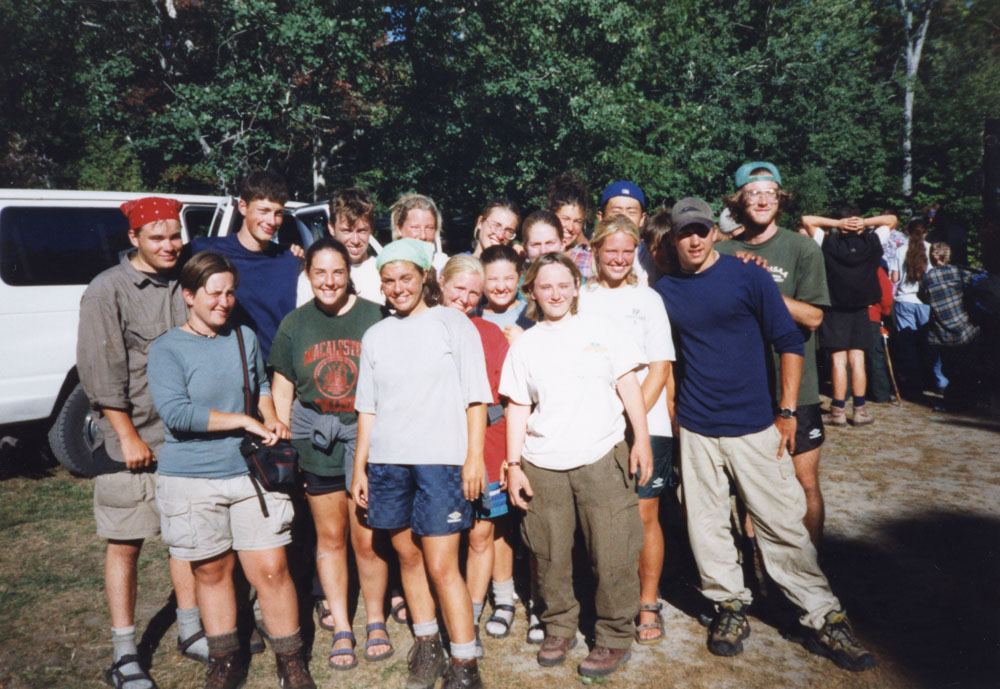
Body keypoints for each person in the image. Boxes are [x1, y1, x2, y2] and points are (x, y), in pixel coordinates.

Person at [654, 197, 876, 672]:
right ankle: (729, 606)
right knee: (707, 526)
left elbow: (789, 341)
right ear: (672, 238)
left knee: (782, 524)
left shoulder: (749, 275)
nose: (693, 239)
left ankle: (823, 616)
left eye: (701, 230)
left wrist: (788, 410)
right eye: (684, 232)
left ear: (714, 231)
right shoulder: (666, 289)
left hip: (755, 424)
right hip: (696, 427)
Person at [147, 252, 315, 689]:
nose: (225, 301)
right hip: (190, 478)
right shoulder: (166, 349)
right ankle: (224, 661)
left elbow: (258, 386)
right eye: (214, 293)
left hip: (248, 474)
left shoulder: (242, 335)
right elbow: (178, 414)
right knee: (211, 570)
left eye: (230, 292)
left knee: (273, 569)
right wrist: (242, 420)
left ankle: (291, 662)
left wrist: (269, 415)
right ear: (188, 295)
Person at [500, 252, 653, 679]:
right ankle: (559, 627)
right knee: (549, 556)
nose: (555, 294)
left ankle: (614, 635)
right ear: (531, 291)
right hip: (543, 464)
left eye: (563, 284)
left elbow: (628, 385)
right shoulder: (526, 343)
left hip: (602, 457)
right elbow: (517, 405)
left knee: (613, 552)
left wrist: (640, 439)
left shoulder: (603, 331)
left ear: (577, 286)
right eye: (545, 286)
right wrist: (513, 465)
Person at [77, 197, 207, 689]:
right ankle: (124, 651)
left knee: (186, 537)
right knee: (126, 544)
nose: (170, 245)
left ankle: (192, 629)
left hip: (183, 437)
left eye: (175, 236)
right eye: (157, 238)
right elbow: (100, 375)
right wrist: (127, 435)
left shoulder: (185, 281)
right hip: (132, 440)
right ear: (134, 239)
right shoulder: (106, 292)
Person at [351, 238, 492, 689]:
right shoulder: (375, 334)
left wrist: (473, 459)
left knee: (440, 563)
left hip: (441, 463)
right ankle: (427, 642)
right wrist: (361, 467)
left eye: (405, 278)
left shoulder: (452, 323)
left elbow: (476, 398)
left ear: (425, 276)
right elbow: (368, 409)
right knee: (406, 555)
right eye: (388, 281)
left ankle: (465, 663)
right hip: (390, 463)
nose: (397, 288)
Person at [270, 238, 390, 669]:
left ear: (350, 272)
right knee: (330, 538)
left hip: (366, 441)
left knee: (368, 538)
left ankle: (375, 618)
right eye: (319, 272)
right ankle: (342, 624)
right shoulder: (294, 325)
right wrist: (284, 446)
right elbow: (282, 390)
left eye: (337, 272)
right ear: (308, 276)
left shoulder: (374, 316)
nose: (329, 281)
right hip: (315, 444)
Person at [718, 162, 831, 546]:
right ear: (738, 201)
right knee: (750, 489)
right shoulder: (722, 251)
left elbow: (814, 317)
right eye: (753, 193)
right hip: (743, 390)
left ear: (781, 198)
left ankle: (811, 569)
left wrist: (761, 287)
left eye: (770, 192)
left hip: (797, 391)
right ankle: (760, 571)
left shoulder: (801, 248)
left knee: (804, 482)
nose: (762, 199)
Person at [578, 215, 675, 645]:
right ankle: (603, 598)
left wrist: (632, 419)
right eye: (609, 250)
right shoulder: (580, 297)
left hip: (645, 424)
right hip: (589, 423)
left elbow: (659, 366)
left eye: (625, 251)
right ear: (595, 251)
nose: (617, 259)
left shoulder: (648, 299)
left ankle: (648, 601)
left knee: (643, 514)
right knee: (599, 517)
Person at [437, 255, 518, 647]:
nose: (465, 298)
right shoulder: (421, 329)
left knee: (483, 535)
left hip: (488, 445)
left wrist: (507, 455)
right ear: (440, 284)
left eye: (474, 292)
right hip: (438, 448)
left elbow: (508, 399)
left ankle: (468, 615)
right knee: (444, 535)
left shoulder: (489, 332)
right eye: (459, 288)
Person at [188, 170, 301, 361]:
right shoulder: (204, 250)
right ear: (242, 207)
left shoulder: (291, 259)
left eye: (278, 213)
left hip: (278, 376)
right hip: (225, 373)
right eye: (263, 211)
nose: (272, 221)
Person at [802, 207, 885, 426]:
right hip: (860, 308)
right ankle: (859, 410)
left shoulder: (828, 243)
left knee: (838, 361)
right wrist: (864, 222)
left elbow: (808, 219)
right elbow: (892, 220)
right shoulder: (872, 242)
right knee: (857, 359)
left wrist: (838, 224)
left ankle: (838, 412)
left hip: (834, 308)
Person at [919, 243, 982, 411]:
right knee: (967, 367)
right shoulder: (960, 272)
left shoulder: (927, 278)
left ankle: (953, 403)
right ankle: (970, 402)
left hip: (942, 332)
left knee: (950, 369)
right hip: (965, 328)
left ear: (933, 258)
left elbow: (923, 298)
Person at [297, 187, 383, 306]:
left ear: (371, 228)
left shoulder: (384, 271)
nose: (355, 240)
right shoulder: (313, 276)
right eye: (347, 231)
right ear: (332, 228)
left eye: (362, 231)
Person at [891, 219, 936, 399]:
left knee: (907, 345)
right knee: (926, 343)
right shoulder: (931, 248)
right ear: (925, 232)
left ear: (907, 232)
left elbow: (894, 278)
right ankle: (930, 381)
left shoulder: (901, 250)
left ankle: (913, 385)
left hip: (905, 300)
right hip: (925, 302)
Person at [476, 244, 531, 342]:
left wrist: (524, 341)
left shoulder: (532, 314)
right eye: (492, 279)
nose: (501, 287)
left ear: (518, 278)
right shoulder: (473, 318)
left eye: (509, 278)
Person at [596, 180, 649, 283]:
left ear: (642, 219)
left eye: (631, 212)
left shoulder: (650, 256)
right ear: (601, 217)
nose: (624, 217)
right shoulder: (586, 256)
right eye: (616, 211)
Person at [546, 174, 593, 278]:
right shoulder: (536, 252)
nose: (570, 228)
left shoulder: (587, 260)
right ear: (549, 215)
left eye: (577, 221)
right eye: (565, 219)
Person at [389, 193, 449, 272]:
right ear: (399, 229)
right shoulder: (387, 268)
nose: (423, 236)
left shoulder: (444, 267)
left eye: (429, 228)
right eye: (415, 228)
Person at [866, 265, 895, 403]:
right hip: (871, 316)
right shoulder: (875, 269)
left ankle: (848, 392)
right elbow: (887, 297)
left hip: (848, 316)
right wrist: (885, 313)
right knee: (875, 355)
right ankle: (880, 393)